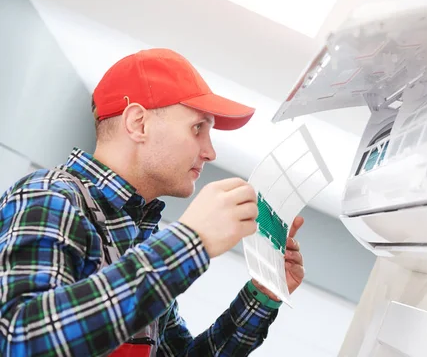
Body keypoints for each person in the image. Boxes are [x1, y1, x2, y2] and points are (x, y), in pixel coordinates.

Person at [0, 48, 306, 356]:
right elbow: (20, 339)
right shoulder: (51, 197)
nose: (210, 152)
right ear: (138, 124)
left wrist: (263, 294)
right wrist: (189, 241)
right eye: (198, 127)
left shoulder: (139, 243)